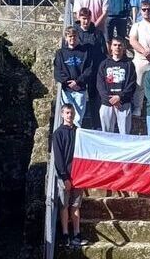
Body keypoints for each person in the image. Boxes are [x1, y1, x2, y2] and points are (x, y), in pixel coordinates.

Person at [52, 104, 88, 247]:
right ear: (62, 114)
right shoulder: (58, 133)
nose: (69, 115)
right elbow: (58, 158)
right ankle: (65, 234)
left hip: (78, 175)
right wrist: (65, 177)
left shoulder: (79, 132)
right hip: (65, 176)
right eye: (67, 113)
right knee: (64, 205)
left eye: (71, 113)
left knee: (75, 205)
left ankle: (77, 234)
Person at [54, 27, 93, 127]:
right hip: (67, 91)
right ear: (66, 38)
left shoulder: (85, 52)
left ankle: (76, 139)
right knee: (67, 118)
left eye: (74, 36)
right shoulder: (60, 53)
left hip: (80, 89)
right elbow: (58, 71)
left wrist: (77, 82)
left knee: (78, 118)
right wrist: (69, 83)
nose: (72, 38)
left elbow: (89, 70)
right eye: (70, 36)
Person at [75, 7, 107, 130]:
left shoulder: (97, 33)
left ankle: (96, 126)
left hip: (95, 72)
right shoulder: (74, 33)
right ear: (79, 18)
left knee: (95, 100)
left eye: (87, 18)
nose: (85, 21)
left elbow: (104, 52)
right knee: (79, 100)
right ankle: (78, 127)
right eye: (83, 19)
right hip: (79, 73)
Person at [96, 36, 137, 134]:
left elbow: (132, 84)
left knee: (125, 134)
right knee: (107, 134)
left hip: (123, 103)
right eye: (115, 45)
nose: (117, 47)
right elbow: (100, 84)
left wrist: (119, 97)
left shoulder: (129, 64)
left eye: (120, 45)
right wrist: (110, 100)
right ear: (111, 47)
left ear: (123, 47)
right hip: (107, 103)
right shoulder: (104, 64)